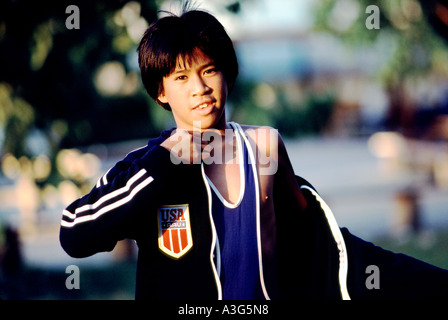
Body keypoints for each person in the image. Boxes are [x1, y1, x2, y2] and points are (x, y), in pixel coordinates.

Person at [60, 5, 448, 300]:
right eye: (181, 77)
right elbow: (75, 233)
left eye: (208, 70)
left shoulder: (264, 146)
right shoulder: (147, 168)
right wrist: (163, 161)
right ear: (161, 91)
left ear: (226, 73)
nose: (199, 88)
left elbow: (320, 242)